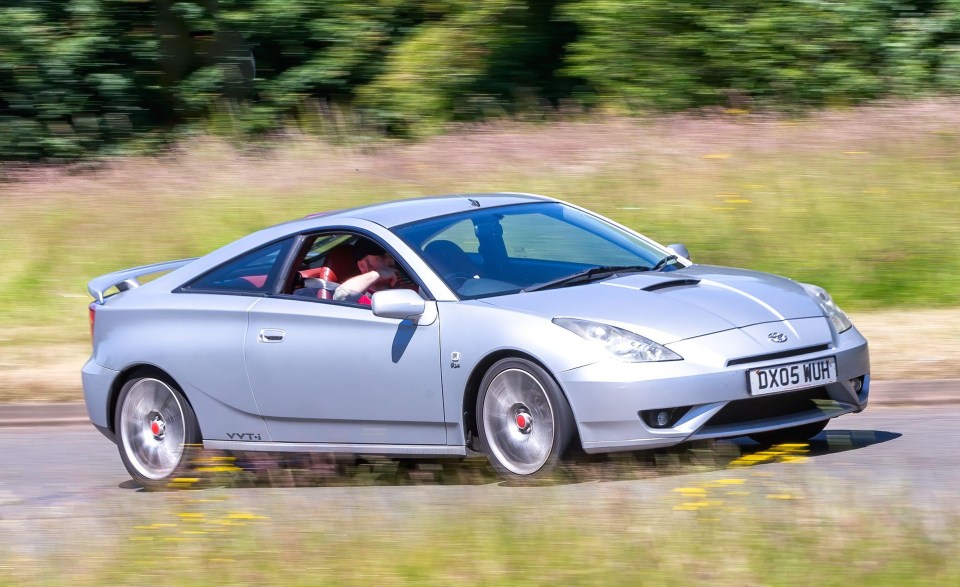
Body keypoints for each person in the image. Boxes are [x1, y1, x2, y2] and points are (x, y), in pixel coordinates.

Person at [333, 239, 402, 305]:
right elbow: (341, 296)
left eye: (391, 255)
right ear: (362, 266)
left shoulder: (405, 273)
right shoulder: (359, 295)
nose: (391, 261)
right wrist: (378, 274)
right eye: (382, 257)